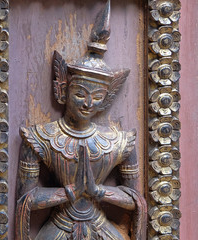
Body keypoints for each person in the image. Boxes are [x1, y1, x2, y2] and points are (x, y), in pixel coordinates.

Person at [15, 1, 147, 239]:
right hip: (59, 228)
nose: (88, 104)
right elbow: (27, 199)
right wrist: (68, 192)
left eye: (97, 97)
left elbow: (134, 198)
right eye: (79, 94)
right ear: (63, 91)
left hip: (100, 227)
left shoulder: (119, 142)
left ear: (106, 100)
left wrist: (99, 192)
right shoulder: (41, 138)